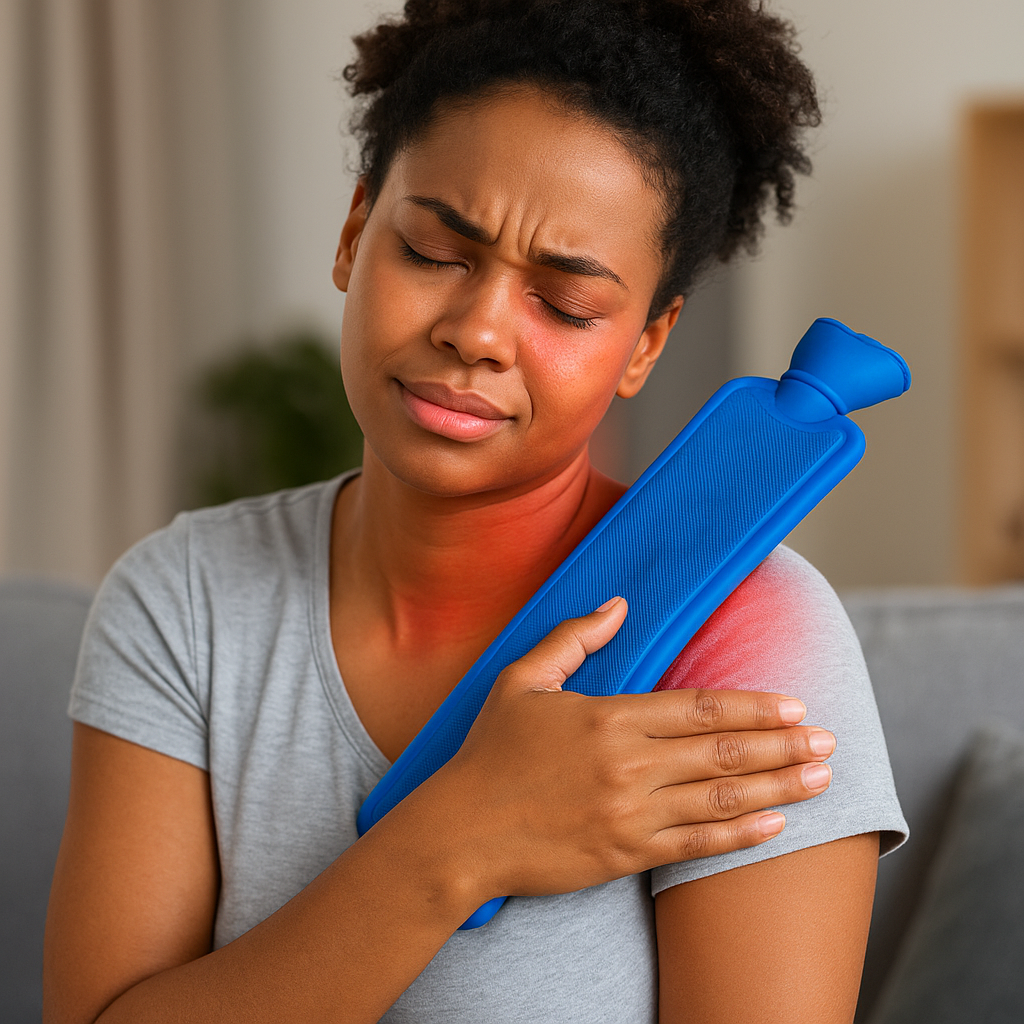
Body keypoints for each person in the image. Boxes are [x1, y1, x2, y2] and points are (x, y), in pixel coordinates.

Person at [43, 1, 908, 1021]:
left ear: (644, 343)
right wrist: (458, 839)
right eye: (433, 251)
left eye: (567, 304)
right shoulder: (182, 600)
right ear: (354, 233)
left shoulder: (748, 631)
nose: (478, 330)